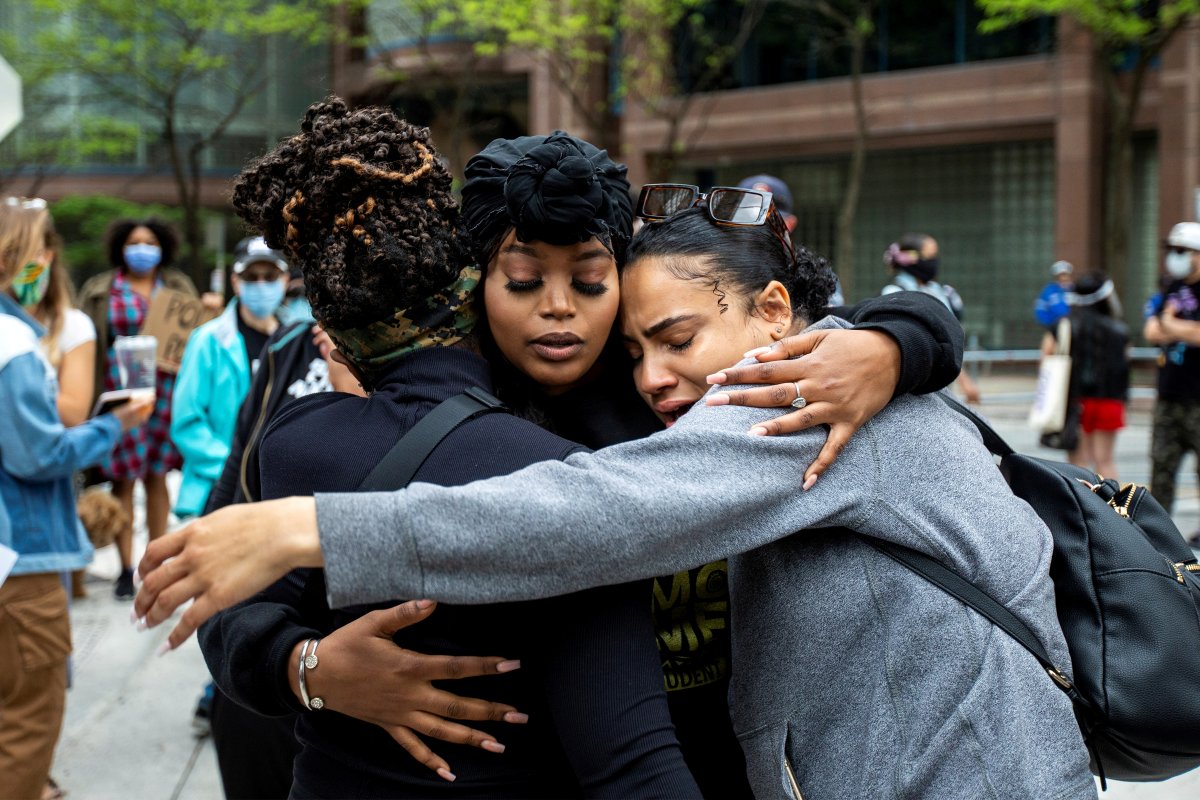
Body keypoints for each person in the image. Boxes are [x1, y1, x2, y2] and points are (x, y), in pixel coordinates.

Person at [137, 196, 1094, 799]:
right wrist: (307, 666)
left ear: (771, 311)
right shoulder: (357, 398)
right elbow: (232, 615)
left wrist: (307, 529)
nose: (653, 376)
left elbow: (593, 512)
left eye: (673, 336)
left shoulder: (801, 395)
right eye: (638, 349)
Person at [197, 99, 703, 799]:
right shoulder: (342, 416)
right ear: (469, 282)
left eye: (589, 281)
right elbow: (229, 590)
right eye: (524, 280)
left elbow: (811, 328)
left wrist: (895, 340)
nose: (558, 306)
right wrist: (308, 667)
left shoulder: (666, 384)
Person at [0, 198, 152, 800]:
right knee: (27, 723)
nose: (45, 260)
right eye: (38, 248)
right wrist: (116, 426)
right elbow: (37, 454)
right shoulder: (12, 343)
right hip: (21, 559)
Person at [78, 218, 199, 599]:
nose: (142, 249)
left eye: (150, 242)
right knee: (124, 479)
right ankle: (126, 566)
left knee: (158, 476)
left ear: (163, 246)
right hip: (121, 394)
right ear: (120, 247)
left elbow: (193, 334)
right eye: (134, 242)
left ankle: (156, 563)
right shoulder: (100, 290)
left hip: (166, 392)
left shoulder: (177, 286)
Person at [171, 236, 293, 519]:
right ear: (235, 282)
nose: (261, 284)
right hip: (216, 491)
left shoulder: (296, 342)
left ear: (285, 280)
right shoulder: (207, 341)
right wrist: (237, 468)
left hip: (277, 493)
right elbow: (186, 421)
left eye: (269, 275)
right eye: (251, 276)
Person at [1041, 272, 1129, 479]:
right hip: (1110, 401)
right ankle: (1112, 509)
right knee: (1105, 461)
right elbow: (1123, 365)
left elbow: (1046, 356)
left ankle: (1083, 509)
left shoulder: (1064, 325)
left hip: (1074, 401)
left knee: (1078, 465)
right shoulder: (1119, 330)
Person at [1144, 221, 1200, 544]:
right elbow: (1152, 332)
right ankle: (1157, 535)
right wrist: (1177, 328)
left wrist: (1169, 323)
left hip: (1198, 396)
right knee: (1161, 468)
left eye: (1181, 251)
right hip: (1169, 394)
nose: (1174, 258)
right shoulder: (1169, 286)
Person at [883, 232, 981, 403]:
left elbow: (949, 341)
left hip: (941, 386)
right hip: (909, 390)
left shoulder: (939, 291)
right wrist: (965, 381)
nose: (934, 261)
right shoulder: (894, 294)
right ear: (912, 258)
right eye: (930, 256)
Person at [1034, 259, 1074, 328]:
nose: (1063, 278)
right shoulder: (1049, 291)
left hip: (1074, 326)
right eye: (1060, 275)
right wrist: (1049, 324)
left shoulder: (1075, 290)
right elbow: (1040, 308)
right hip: (1055, 326)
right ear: (1056, 277)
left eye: (1065, 274)